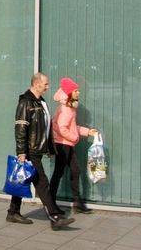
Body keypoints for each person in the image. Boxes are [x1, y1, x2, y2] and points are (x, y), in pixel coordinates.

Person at [7, 72, 74, 230]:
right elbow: (20, 128)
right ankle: (54, 217)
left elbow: (45, 126)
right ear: (37, 84)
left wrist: (49, 148)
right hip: (30, 150)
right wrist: (21, 152)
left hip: (36, 148)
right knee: (42, 182)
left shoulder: (40, 102)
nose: (48, 87)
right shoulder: (26, 102)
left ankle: (13, 212)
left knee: (23, 179)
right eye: (45, 84)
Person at [50, 77, 98, 214]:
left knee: (74, 171)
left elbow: (71, 127)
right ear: (69, 93)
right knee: (59, 173)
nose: (79, 93)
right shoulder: (66, 108)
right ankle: (51, 202)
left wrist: (88, 132)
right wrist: (75, 138)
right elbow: (61, 128)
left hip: (66, 143)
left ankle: (77, 202)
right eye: (76, 90)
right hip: (62, 145)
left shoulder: (69, 106)